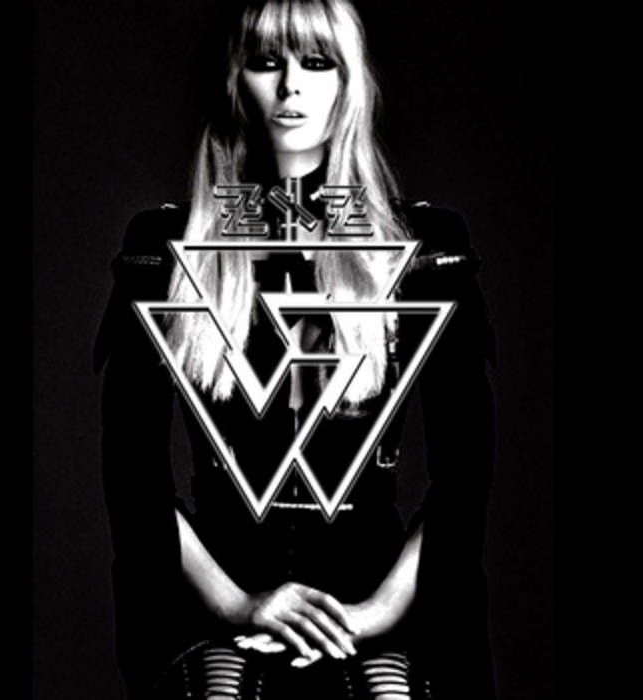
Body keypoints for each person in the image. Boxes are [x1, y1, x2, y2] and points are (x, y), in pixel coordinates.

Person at [95, 1, 497, 698]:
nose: (290, 87)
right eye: (266, 62)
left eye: (316, 63)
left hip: (382, 598)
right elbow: (133, 475)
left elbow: (466, 477)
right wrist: (239, 604)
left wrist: (372, 614)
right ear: (233, 82)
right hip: (215, 601)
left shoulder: (425, 251)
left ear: (350, 83)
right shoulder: (164, 253)